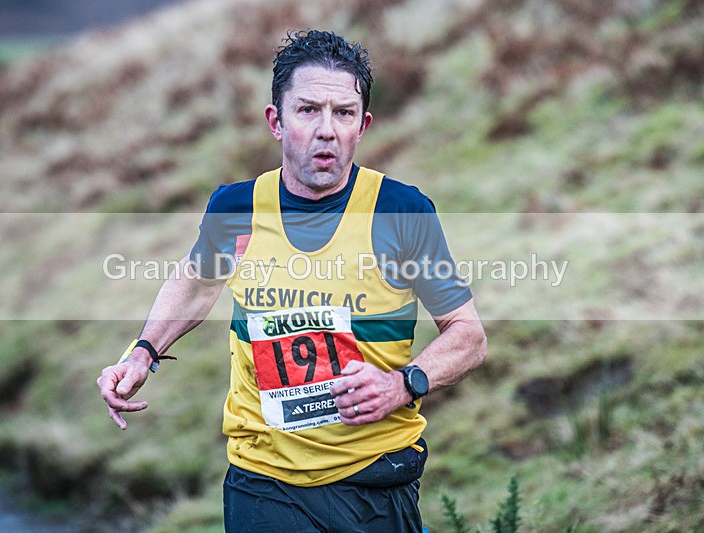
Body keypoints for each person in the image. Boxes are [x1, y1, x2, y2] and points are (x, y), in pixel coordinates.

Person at [97, 29, 487, 532]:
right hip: (263, 480)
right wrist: (141, 353)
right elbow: (196, 284)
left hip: (374, 477)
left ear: (363, 125)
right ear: (276, 122)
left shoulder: (400, 210)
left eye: (343, 113)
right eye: (307, 110)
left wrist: (401, 384)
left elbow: (468, 336)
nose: (326, 130)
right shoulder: (235, 209)